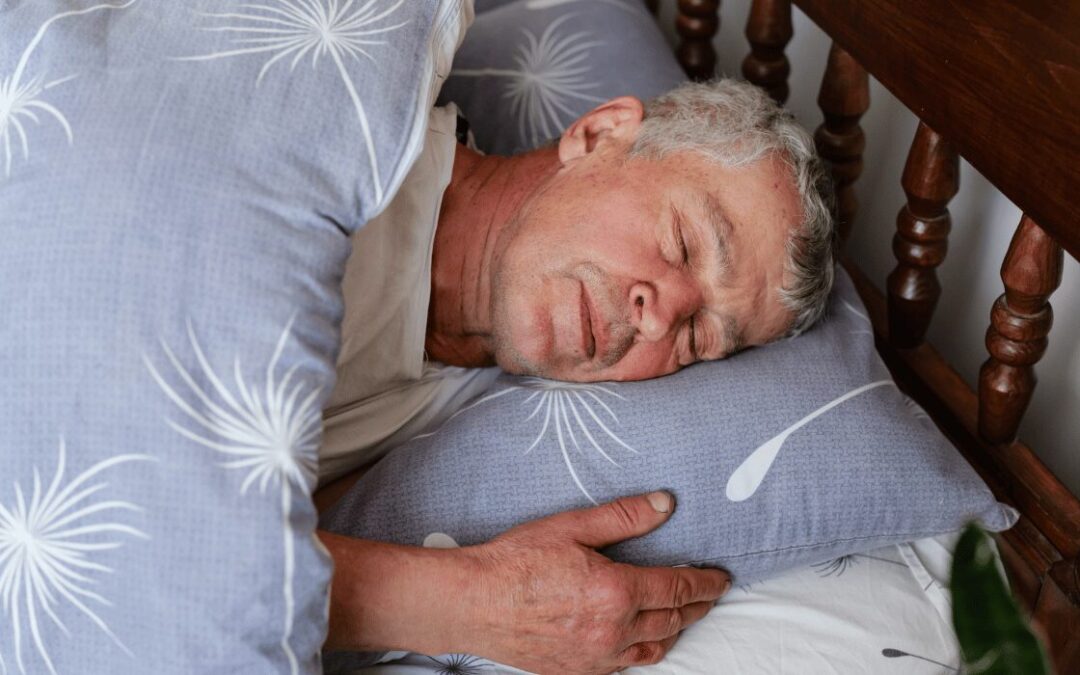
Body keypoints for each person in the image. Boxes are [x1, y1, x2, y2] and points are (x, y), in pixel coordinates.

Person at [315, 79, 835, 673]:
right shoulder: (354, 125)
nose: (660, 321)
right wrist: (476, 602)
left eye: (698, 338)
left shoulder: (450, 427)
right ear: (599, 134)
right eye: (682, 243)